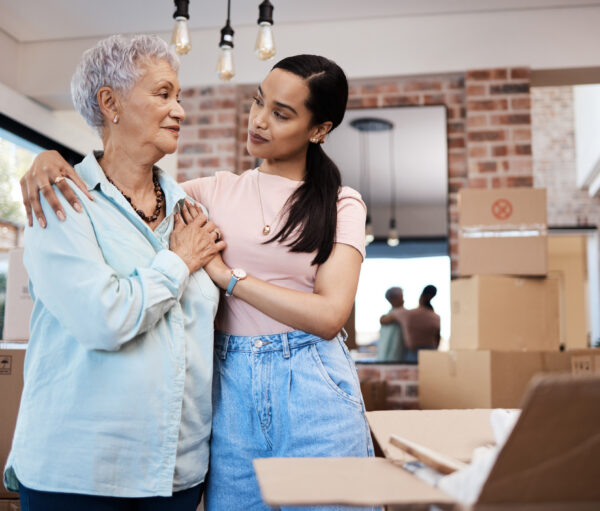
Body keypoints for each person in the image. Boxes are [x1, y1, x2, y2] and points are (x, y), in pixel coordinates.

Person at [19, 54, 374, 510]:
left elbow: (329, 316)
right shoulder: (207, 194)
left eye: (281, 114)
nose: (259, 121)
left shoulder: (342, 204)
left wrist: (230, 280)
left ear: (319, 129)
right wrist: (49, 159)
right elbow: (124, 181)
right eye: (258, 102)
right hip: (229, 388)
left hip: (313, 384)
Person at [4, 35, 226, 511]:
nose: (180, 111)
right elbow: (103, 318)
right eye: (163, 94)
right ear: (111, 103)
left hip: (176, 471)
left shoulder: (192, 210)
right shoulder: (62, 199)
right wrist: (179, 262)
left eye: (180, 97)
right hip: (81, 471)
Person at [389, 285, 441, 363]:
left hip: (412, 354)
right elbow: (438, 338)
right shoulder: (436, 317)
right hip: (431, 354)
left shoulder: (408, 314)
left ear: (421, 297)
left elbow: (383, 320)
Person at [377, 287, 406, 361]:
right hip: (392, 357)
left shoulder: (393, 314)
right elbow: (383, 320)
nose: (403, 300)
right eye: (401, 297)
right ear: (393, 299)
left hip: (392, 357)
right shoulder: (398, 313)